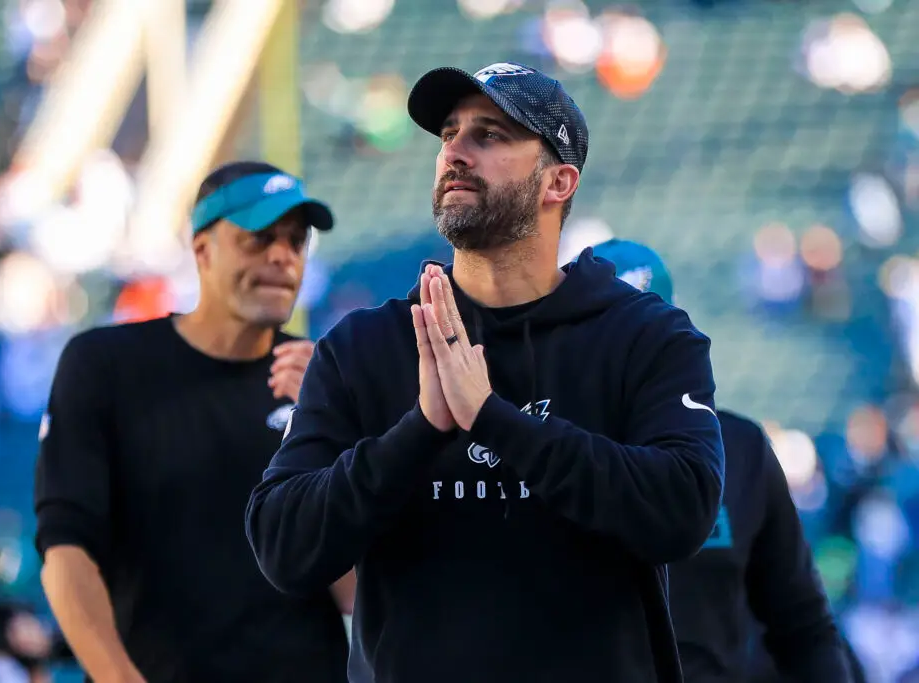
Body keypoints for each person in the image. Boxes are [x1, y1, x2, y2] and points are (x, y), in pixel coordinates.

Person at [246, 62, 725, 683]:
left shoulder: (647, 337)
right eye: (449, 134)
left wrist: (496, 421)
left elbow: (682, 511)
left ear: (558, 181)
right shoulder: (366, 345)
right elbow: (283, 547)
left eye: (490, 135)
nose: (455, 153)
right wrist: (420, 430)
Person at [34, 161, 354, 683]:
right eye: (258, 237)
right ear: (202, 249)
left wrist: (336, 429)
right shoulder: (106, 365)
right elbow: (66, 549)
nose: (282, 256)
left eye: (297, 242)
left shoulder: (324, 381)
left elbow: (355, 591)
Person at [592, 238, 854, 683]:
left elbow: (802, 625)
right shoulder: (545, 448)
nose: (632, 348)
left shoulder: (740, 448)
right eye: (612, 329)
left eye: (646, 327)